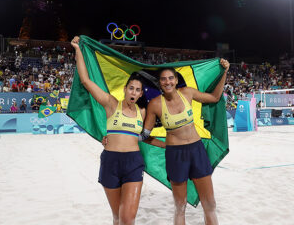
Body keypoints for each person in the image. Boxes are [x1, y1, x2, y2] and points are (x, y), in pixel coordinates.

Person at [140, 59, 229, 225]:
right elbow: (144, 135)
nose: (167, 82)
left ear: (175, 79)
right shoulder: (155, 104)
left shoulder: (187, 92)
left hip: (197, 151)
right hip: (175, 155)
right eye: (163, 79)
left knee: (210, 204)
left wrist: (224, 72)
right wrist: (163, 145)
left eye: (170, 78)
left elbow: (215, 97)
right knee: (180, 206)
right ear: (159, 83)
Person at [71, 36, 146, 225]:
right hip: (110, 162)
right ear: (125, 89)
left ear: (141, 93)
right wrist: (78, 50)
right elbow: (86, 81)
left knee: (128, 219)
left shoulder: (143, 112)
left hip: (134, 163)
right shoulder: (112, 104)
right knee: (117, 217)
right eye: (131, 88)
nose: (134, 93)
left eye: (138, 90)